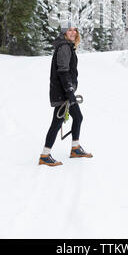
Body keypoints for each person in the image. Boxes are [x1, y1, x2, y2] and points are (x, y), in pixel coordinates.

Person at [39, 23, 93, 167]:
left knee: (78, 117)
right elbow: (63, 71)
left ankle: (75, 148)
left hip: (65, 92)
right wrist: (69, 92)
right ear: (64, 33)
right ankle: (45, 155)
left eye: (75, 29)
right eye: (69, 30)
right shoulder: (64, 47)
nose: (73, 32)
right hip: (62, 93)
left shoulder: (67, 46)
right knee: (56, 124)